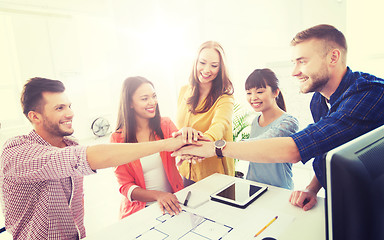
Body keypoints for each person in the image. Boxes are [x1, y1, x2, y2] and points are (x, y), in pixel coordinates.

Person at [172, 24, 384, 211]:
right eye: (294, 62)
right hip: (345, 198)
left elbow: (295, 149)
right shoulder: (319, 101)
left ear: (333, 57)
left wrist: (215, 147)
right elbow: (324, 151)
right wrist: (311, 188)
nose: (294, 72)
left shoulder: (369, 94)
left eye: (302, 61)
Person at [0, 77, 200, 239]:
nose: (70, 113)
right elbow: (85, 158)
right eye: (59, 108)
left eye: (68, 106)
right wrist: (164, 145)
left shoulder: (71, 144)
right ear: (35, 117)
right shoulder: (17, 151)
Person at [111, 76, 187, 218]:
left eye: (154, 96)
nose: (152, 102)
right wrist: (158, 195)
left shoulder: (165, 125)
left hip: (173, 203)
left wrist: (188, 137)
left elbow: (184, 147)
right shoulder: (117, 139)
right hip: (140, 209)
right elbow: (125, 186)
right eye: (144, 98)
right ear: (130, 103)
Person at [176, 40, 235, 186]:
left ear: (221, 68)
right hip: (186, 171)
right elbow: (179, 127)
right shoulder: (184, 91)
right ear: (195, 63)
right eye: (202, 63)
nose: (207, 69)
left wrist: (201, 145)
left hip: (215, 176)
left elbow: (220, 125)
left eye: (214, 65)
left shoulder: (225, 98)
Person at [244, 68, 299, 189]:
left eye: (259, 92)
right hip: (253, 187)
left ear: (275, 92)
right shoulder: (255, 121)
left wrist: (220, 147)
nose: (253, 97)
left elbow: (260, 144)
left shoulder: (288, 122)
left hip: (279, 190)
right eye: (249, 93)